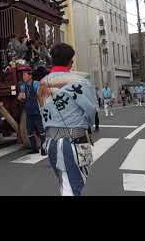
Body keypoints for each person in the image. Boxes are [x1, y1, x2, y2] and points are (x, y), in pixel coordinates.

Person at [38, 43, 97, 196]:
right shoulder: (80, 81)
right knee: (72, 186)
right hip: (76, 140)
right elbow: (91, 110)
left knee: (66, 182)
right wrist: (86, 124)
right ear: (71, 61)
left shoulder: (42, 84)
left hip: (51, 141)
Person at [18, 67, 46, 155]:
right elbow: (20, 97)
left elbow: (40, 96)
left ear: (30, 76)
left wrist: (42, 108)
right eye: (22, 75)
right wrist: (20, 98)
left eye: (24, 74)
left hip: (37, 111)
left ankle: (44, 148)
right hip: (29, 111)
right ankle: (34, 148)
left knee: (41, 131)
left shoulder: (36, 84)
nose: (23, 77)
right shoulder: (23, 86)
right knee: (29, 131)